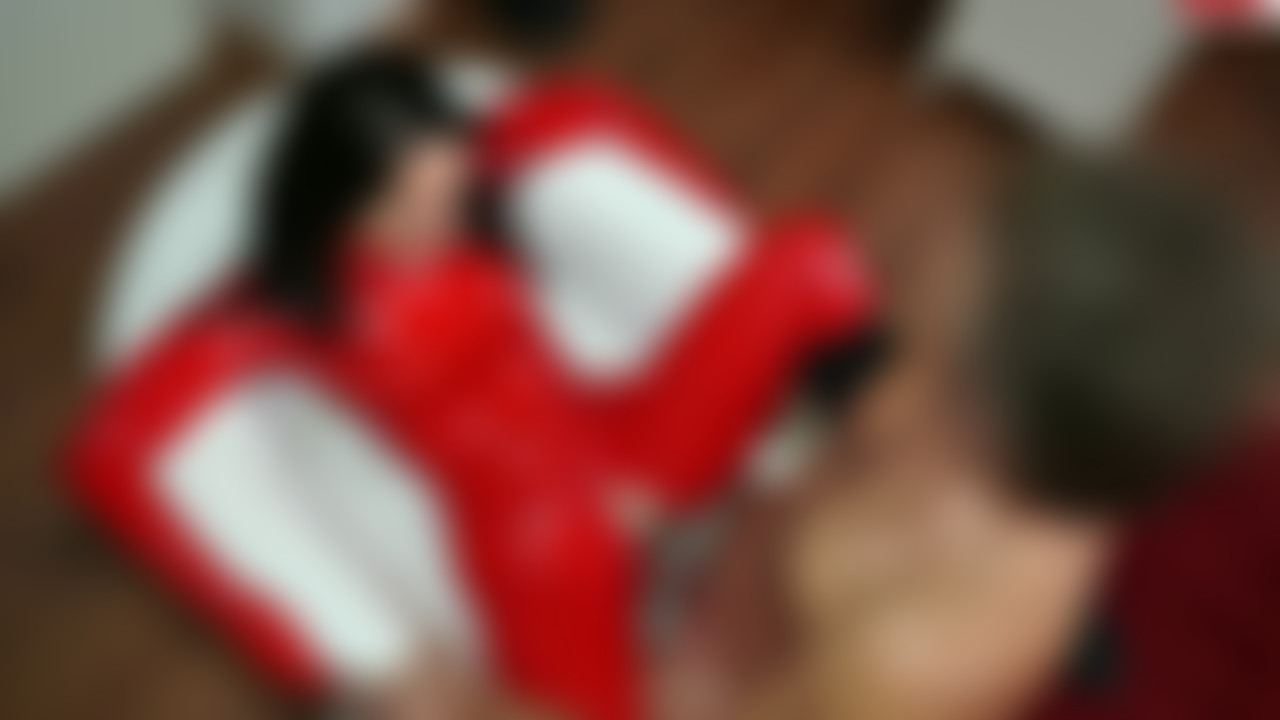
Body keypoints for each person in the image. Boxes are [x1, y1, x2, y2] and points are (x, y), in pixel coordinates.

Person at [65, 48, 879, 720]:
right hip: (541, 548)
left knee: (813, 259)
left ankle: (839, 464)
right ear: (337, 207)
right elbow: (113, 450)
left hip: (618, 433)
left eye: (449, 188)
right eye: (409, 207)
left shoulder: (477, 194)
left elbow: (572, 117)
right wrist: (365, 659)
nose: (442, 219)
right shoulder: (292, 303)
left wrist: (647, 486)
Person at [652, 159, 1276, 720]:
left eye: (923, 354)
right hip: (716, 599)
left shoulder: (903, 660)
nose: (876, 395)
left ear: (983, 427)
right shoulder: (1054, 462)